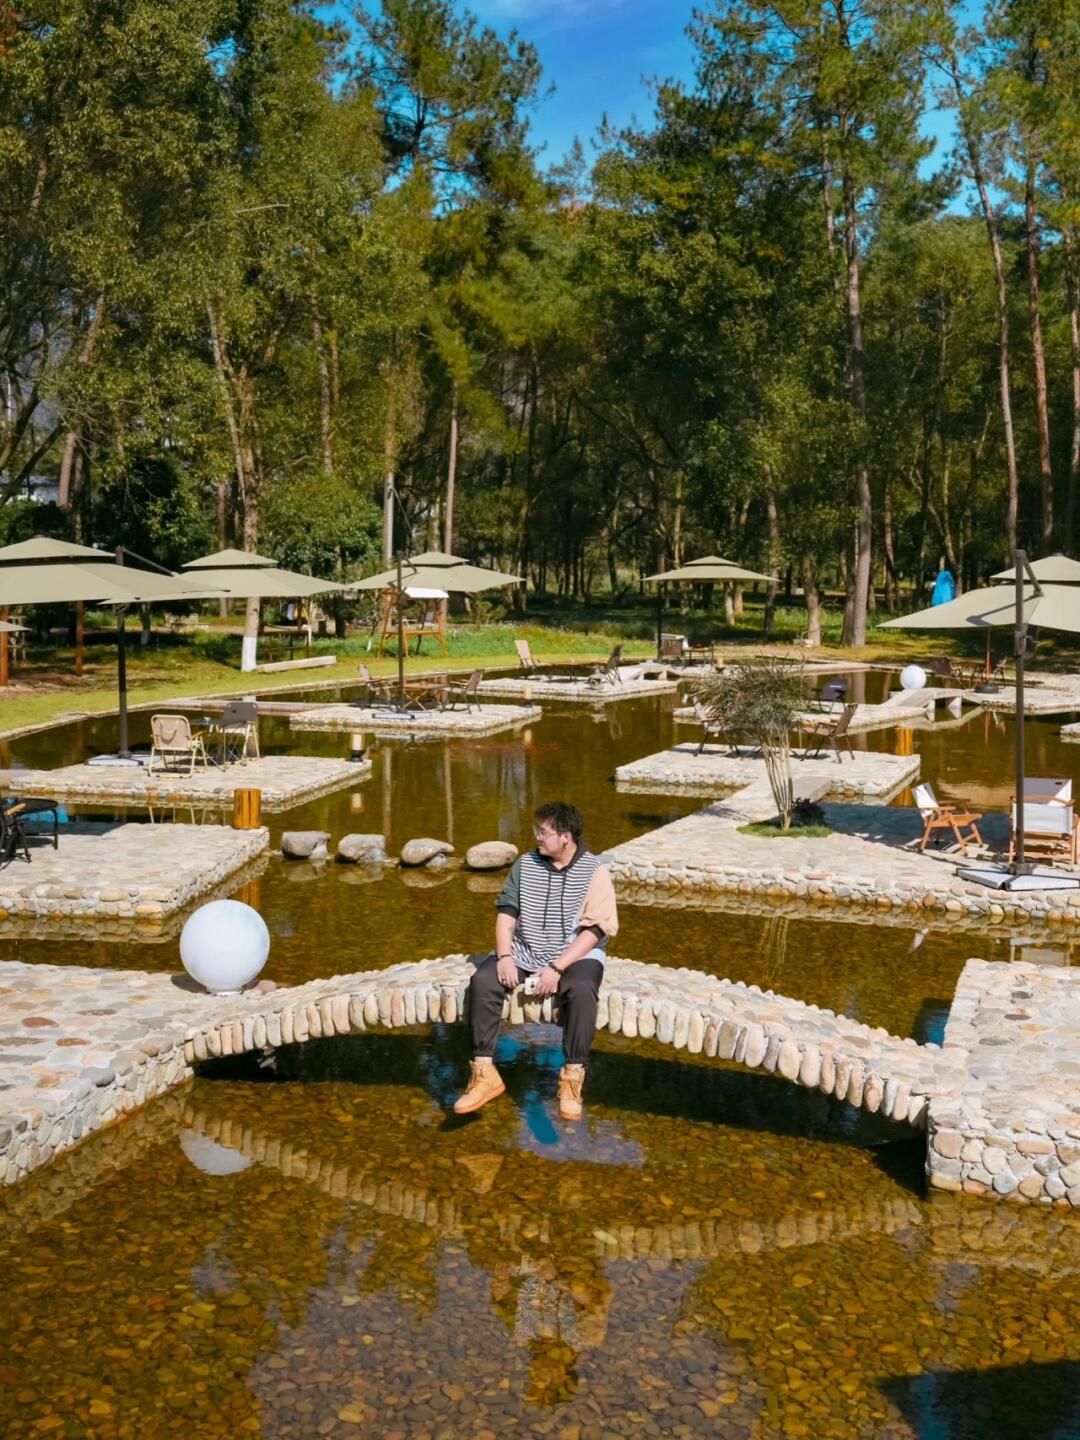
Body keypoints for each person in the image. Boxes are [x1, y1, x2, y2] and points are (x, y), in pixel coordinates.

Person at [454, 801, 618, 1121]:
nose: (537, 837)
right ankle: (484, 1072)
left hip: (575, 953)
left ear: (566, 837)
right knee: (483, 981)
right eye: (537, 831)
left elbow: (596, 929)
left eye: (543, 832)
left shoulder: (594, 872)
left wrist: (557, 967)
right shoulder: (525, 864)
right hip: (526, 948)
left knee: (582, 990)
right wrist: (503, 957)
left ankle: (572, 1077)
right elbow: (507, 913)